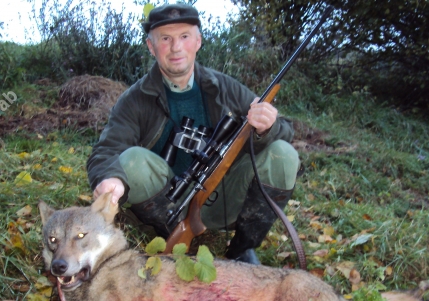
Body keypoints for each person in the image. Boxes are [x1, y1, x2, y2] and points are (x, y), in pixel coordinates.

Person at [87, 3, 300, 264]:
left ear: (198, 41)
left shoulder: (224, 88)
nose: (176, 47)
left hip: (220, 199)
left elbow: (285, 131)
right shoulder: (134, 100)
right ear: (151, 46)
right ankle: (170, 235)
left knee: (284, 154)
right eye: (165, 39)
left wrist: (267, 126)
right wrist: (110, 179)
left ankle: (242, 248)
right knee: (131, 160)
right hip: (167, 205)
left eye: (184, 36)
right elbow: (106, 150)